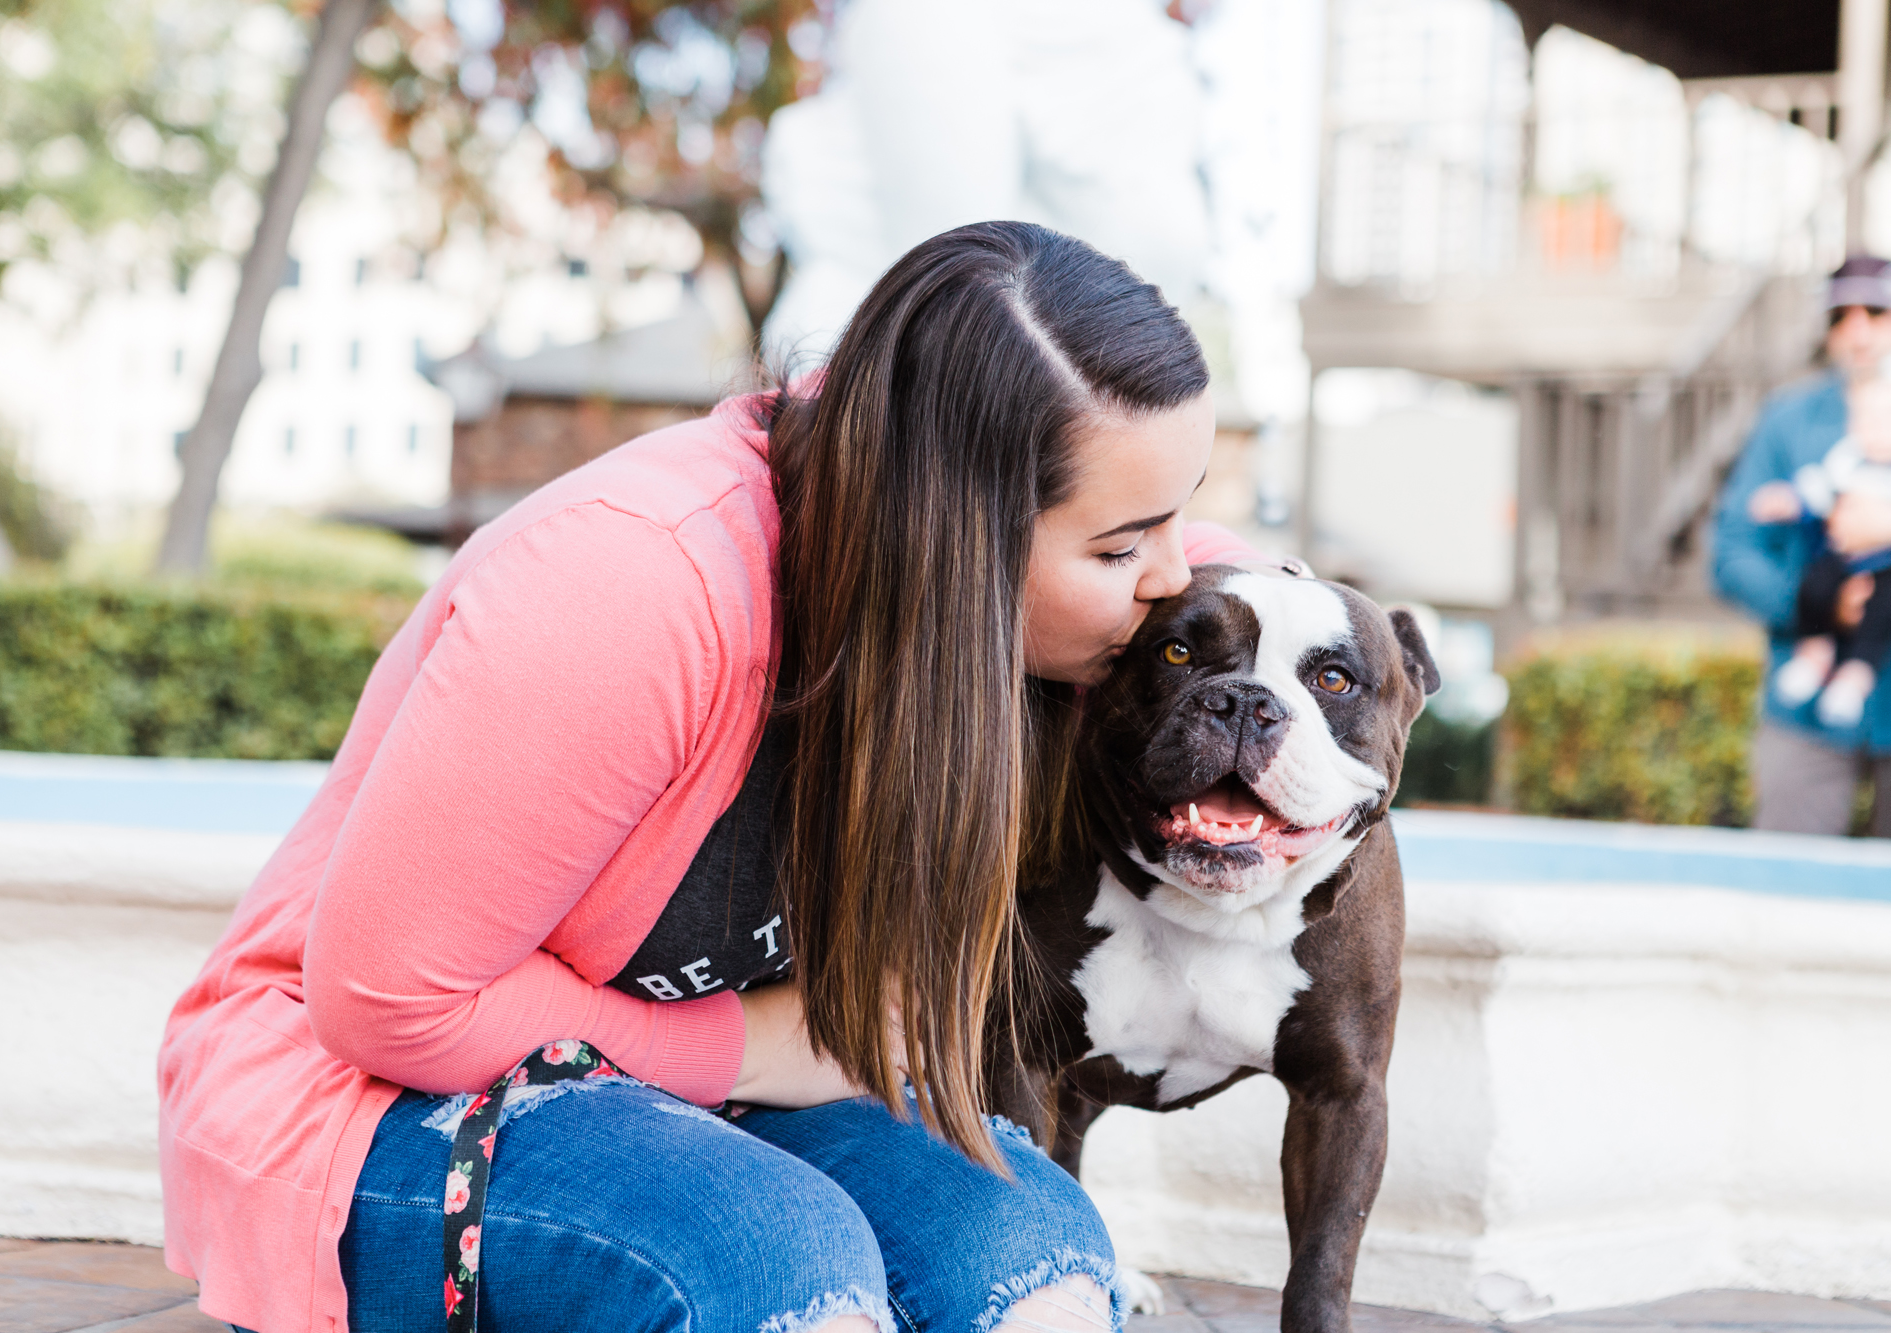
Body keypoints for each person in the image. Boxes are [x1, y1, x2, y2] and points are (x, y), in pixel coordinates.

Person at [158, 222, 1266, 1333]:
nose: (1169, 577)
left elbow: (1224, 573)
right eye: (1124, 549)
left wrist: (1279, 634)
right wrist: (755, 1041)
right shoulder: (632, 586)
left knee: (1038, 1265)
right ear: (951, 533)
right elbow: (394, 1001)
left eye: (1175, 517)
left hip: (730, 1094)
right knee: (773, 1271)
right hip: (385, 1093)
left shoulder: (945, 519)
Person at [1714, 254, 1891, 836]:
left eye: (1877, 311)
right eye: (1842, 315)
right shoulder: (1787, 419)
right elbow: (1733, 550)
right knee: (1784, 905)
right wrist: (1821, 604)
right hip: (1805, 712)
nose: (1858, 330)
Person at [1746, 376, 1891, 727]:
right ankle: (1814, 651)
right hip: (1840, 558)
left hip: (1884, 568)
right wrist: (1788, 500)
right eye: (1863, 420)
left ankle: (1855, 678)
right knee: (1815, 586)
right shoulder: (1847, 461)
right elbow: (1815, 490)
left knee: (1881, 611)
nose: (1871, 431)